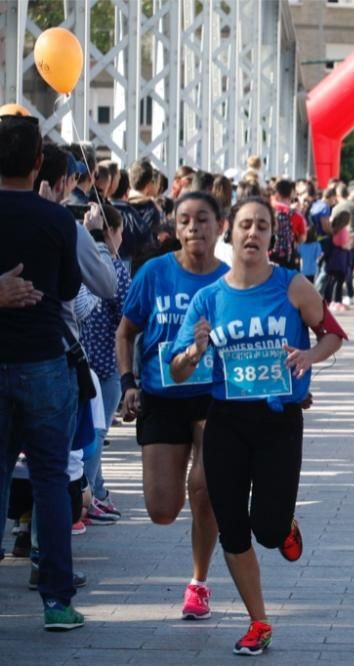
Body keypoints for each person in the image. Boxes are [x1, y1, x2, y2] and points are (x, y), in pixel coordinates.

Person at [170, 196, 345, 656]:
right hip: (226, 419)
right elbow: (178, 367)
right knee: (231, 527)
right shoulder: (208, 299)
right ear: (231, 230)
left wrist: (309, 356)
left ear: (272, 236)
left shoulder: (293, 286)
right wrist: (193, 352)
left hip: (277, 420)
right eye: (245, 225)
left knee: (266, 529)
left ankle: (283, 524)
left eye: (262, 227)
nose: (252, 234)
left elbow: (333, 333)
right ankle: (259, 621)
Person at [116, 192, 230, 621]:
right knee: (163, 510)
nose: (194, 228)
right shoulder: (154, 273)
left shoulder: (231, 280)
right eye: (185, 220)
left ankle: (198, 583)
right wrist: (128, 383)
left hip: (213, 398)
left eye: (203, 219)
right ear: (174, 227)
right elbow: (126, 332)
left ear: (219, 225)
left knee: (205, 491)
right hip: (162, 396)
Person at [0, 112, 85, 629]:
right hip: (44, 363)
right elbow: (71, 289)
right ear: (38, 164)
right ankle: (57, 600)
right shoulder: (59, 222)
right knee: (52, 480)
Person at [79, 204, 131, 525]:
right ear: (109, 232)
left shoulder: (76, 259)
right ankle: (85, 496)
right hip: (108, 362)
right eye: (121, 232)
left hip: (78, 357)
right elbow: (128, 312)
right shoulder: (112, 267)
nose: (122, 238)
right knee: (96, 432)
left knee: (85, 430)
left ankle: (96, 489)